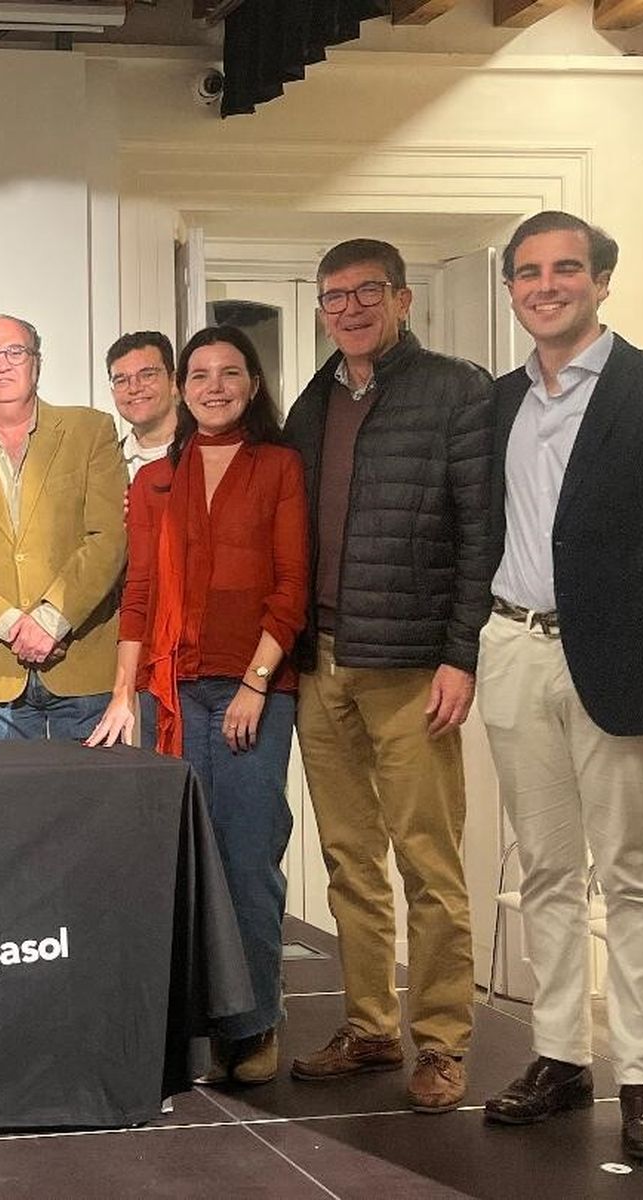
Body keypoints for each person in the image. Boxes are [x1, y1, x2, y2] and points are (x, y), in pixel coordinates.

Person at [282, 238, 492, 1114]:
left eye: (369, 292)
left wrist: (460, 653)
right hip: (319, 660)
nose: (351, 308)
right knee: (347, 857)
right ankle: (370, 1024)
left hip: (411, 665)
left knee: (428, 859)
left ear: (402, 299)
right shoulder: (312, 399)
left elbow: (483, 532)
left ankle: (442, 1040)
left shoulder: (457, 389)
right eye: (336, 296)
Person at [476, 212, 643, 1161]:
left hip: (620, 663)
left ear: (601, 280)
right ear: (510, 288)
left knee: (631, 877)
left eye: (566, 270)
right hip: (513, 650)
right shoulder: (501, 400)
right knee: (544, 868)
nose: (546, 286)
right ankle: (559, 1055)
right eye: (529, 273)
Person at [88, 326, 308, 1086]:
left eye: (230, 373)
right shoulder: (154, 483)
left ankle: (250, 1026)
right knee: (182, 857)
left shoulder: (279, 467)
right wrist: (126, 691)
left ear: (252, 383)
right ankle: (187, 1016)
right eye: (201, 374)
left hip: (254, 692)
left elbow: (291, 586)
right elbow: (140, 596)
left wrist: (254, 682)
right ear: (183, 388)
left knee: (248, 854)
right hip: (171, 693)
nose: (215, 386)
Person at [0, 313, 129, 741]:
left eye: (15, 352)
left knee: (89, 803)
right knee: (9, 806)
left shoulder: (89, 430)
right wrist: (12, 626)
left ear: (37, 363)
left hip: (81, 661)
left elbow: (108, 537)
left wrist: (51, 620)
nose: (2, 364)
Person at [106, 330, 181, 479]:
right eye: (121, 381)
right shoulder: (108, 465)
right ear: (113, 392)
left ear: (173, 381)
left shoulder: (207, 452)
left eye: (147, 375)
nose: (134, 388)